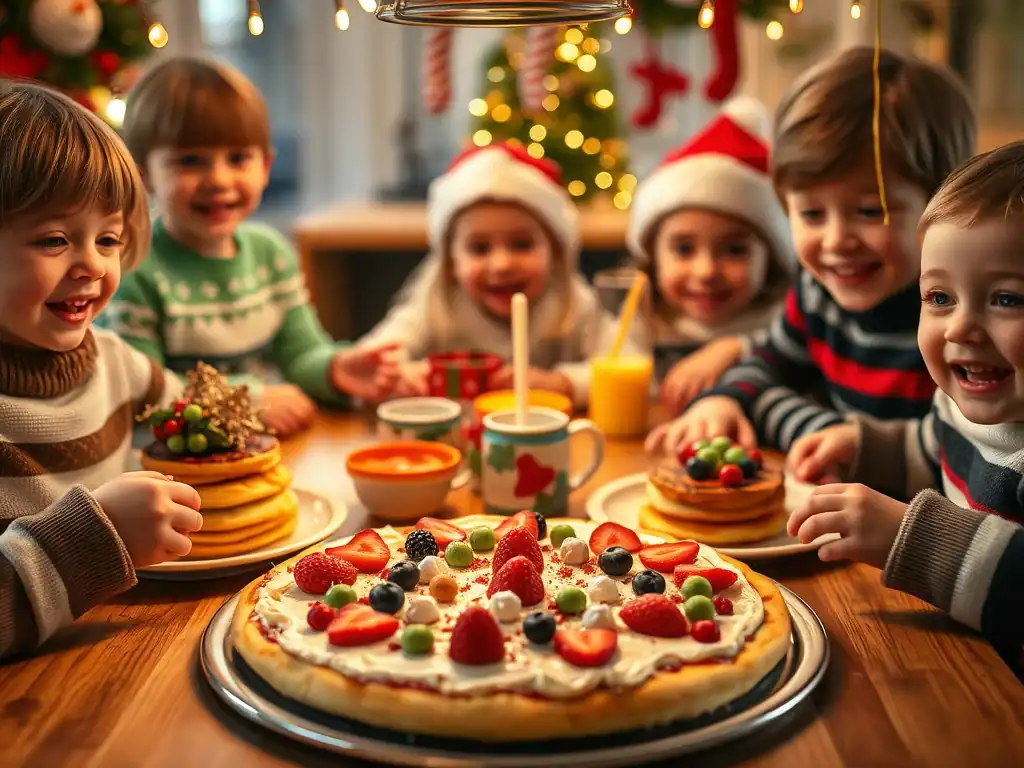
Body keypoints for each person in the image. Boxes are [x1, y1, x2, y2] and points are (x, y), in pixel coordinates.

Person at [646, 46, 976, 475]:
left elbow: (956, 461)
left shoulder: (962, 321)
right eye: (812, 214)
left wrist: (793, 420)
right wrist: (724, 399)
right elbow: (767, 363)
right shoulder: (816, 291)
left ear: (943, 205)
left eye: (870, 211)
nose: (837, 241)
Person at [788, 141, 1024, 675]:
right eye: (940, 298)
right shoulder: (963, 406)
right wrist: (867, 448)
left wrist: (906, 537)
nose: (960, 328)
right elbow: (935, 449)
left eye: (1008, 299)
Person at [0, 81, 203, 659]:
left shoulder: (115, 363)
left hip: (128, 646)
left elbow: (193, 412)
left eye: (108, 238)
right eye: (55, 239)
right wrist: (99, 534)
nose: (92, 263)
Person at [100, 57, 399, 438]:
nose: (219, 179)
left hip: (261, 452)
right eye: (190, 161)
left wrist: (337, 369)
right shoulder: (134, 269)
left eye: (238, 158)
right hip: (173, 474)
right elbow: (145, 392)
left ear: (266, 166)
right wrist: (249, 400)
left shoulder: (270, 253)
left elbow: (302, 353)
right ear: (144, 174)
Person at [357, 144, 633, 407]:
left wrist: (561, 383)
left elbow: (627, 366)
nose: (501, 264)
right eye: (479, 248)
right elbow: (373, 356)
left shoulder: (572, 301)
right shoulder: (435, 298)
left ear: (556, 253)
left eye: (522, 244)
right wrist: (396, 375)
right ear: (451, 261)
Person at [627, 97, 795, 415]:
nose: (706, 271)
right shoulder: (641, 320)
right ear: (652, 255)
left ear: (771, 258)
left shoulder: (784, 321)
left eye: (734, 250)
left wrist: (734, 348)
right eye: (683, 249)